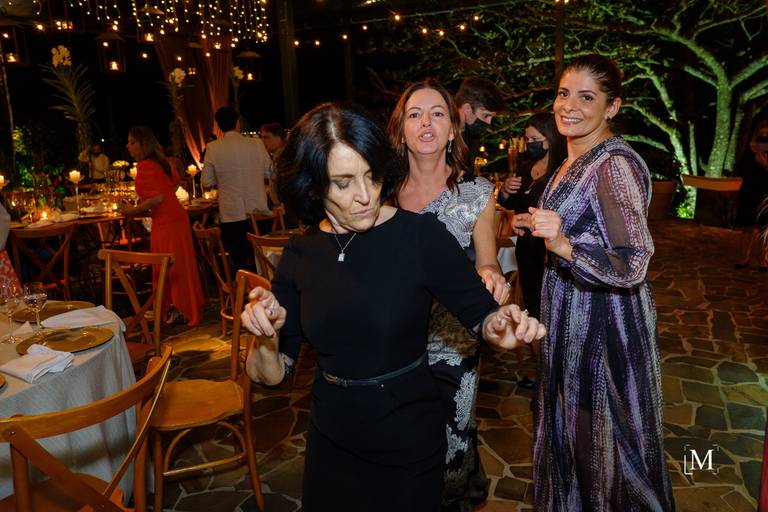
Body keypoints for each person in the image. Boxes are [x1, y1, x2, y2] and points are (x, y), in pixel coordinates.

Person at [240, 102, 546, 512]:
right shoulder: (300, 253)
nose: (365, 195)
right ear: (313, 187)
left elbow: (480, 313)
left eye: (371, 175)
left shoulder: (420, 236)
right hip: (331, 436)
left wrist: (499, 325)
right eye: (343, 183)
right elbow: (273, 375)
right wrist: (265, 336)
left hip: (408, 435)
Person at [514, 54, 674, 510]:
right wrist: (536, 225)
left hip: (605, 333)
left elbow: (633, 260)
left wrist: (564, 244)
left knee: (606, 453)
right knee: (575, 443)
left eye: (587, 97)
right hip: (570, 324)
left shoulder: (612, 164)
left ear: (612, 107)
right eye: (564, 93)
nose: (570, 106)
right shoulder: (572, 158)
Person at [387, 78, 508, 512]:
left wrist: (492, 276)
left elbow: (488, 262)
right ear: (401, 130)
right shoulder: (378, 193)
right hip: (391, 341)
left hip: (453, 340)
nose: (426, 122)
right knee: (399, 443)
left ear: (453, 129)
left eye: (437, 114)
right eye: (415, 114)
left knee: (453, 444)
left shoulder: (478, 194)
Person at [124, 126, 204, 326]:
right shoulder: (161, 162)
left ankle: (179, 309)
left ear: (143, 144)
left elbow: (157, 197)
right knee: (180, 265)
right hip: (177, 218)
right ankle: (183, 307)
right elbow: (172, 187)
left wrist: (131, 211)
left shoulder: (145, 165)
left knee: (169, 267)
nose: (128, 146)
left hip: (166, 222)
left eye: (132, 142)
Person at [500, 113, 566, 320]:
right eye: (527, 139)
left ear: (551, 139)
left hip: (547, 252)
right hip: (525, 249)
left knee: (549, 309)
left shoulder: (561, 171)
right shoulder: (526, 167)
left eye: (535, 139)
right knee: (531, 306)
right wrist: (505, 191)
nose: (530, 144)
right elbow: (511, 204)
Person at [202, 106, 272, 271]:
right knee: (262, 256)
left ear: (219, 127)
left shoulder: (213, 147)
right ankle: (263, 282)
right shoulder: (257, 143)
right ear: (238, 123)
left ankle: (244, 285)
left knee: (239, 260)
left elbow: (206, 181)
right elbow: (270, 172)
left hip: (231, 213)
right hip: (258, 211)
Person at [734, 117, 768, 270]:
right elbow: (740, 170)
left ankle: (764, 260)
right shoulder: (748, 151)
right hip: (749, 193)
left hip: (765, 194)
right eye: (761, 135)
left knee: (764, 228)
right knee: (747, 228)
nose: (763, 138)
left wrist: (765, 164)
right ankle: (744, 258)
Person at [455, 78, 505, 176]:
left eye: (492, 117)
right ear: (467, 109)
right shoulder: (441, 136)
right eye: (486, 115)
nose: (489, 122)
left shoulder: (472, 137)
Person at [260, 122, 287, 206]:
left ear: (278, 138)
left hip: (286, 207)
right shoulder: (278, 156)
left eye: (266, 137)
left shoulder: (285, 158)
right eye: (262, 137)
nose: (263, 141)